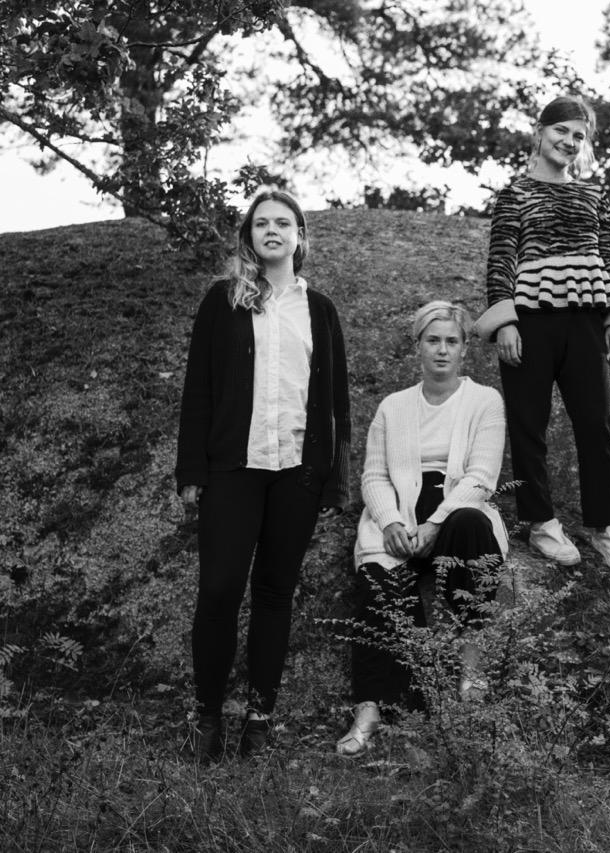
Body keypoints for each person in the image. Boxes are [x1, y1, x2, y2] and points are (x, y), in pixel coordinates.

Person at [175, 188, 350, 761]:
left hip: (296, 472)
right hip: (233, 469)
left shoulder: (319, 309)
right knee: (220, 590)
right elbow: (198, 390)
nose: (271, 231)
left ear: (301, 235)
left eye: (283, 223)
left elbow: (335, 399)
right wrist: (191, 468)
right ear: (248, 236)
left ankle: (259, 717)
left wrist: (332, 478)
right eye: (261, 224)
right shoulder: (222, 301)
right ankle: (207, 717)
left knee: (275, 594)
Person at [474, 94, 610, 575]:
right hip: (530, 321)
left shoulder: (593, 195)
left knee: (596, 423)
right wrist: (504, 319)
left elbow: (609, 257)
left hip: (587, 317)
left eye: (579, 136)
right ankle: (541, 522)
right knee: (529, 424)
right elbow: (502, 257)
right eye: (561, 131)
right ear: (541, 132)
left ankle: (605, 526)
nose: (569, 141)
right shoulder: (515, 194)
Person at [335, 301, 508, 757]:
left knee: (470, 523)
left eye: (452, 341)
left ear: (465, 349)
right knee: (377, 575)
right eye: (433, 340)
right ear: (418, 347)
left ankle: (471, 672)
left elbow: (481, 477)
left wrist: (434, 524)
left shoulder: (485, 400)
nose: (442, 350)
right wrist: (391, 521)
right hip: (400, 512)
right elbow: (373, 475)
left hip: (454, 513)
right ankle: (370, 709)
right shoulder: (393, 407)